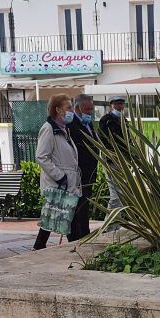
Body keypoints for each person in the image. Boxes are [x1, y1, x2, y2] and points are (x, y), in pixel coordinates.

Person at [33, 93, 83, 250]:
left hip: (68, 185)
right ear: (57, 110)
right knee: (57, 222)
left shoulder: (63, 130)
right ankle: (41, 248)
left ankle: (71, 250)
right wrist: (60, 176)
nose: (71, 112)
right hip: (59, 185)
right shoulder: (49, 129)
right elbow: (41, 157)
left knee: (62, 221)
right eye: (68, 108)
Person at [66, 93, 98, 239]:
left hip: (89, 173)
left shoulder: (88, 123)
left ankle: (85, 234)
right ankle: (76, 236)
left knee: (85, 206)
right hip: (78, 173)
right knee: (77, 207)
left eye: (91, 108)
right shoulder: (71, 124)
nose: (90, 112)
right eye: (87, 109)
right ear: (78, 108)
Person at [97, 95, 127, 224]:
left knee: (120, 194)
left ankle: (113, 225)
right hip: (111, 161)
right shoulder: (106, 120)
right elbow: (102, 139)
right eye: (117, 104)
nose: (119, 106)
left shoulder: (124, 121)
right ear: (111, 105)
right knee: (116, 194)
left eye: (121, 104)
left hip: (122, 162)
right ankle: (109, 226)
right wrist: (111, 155)